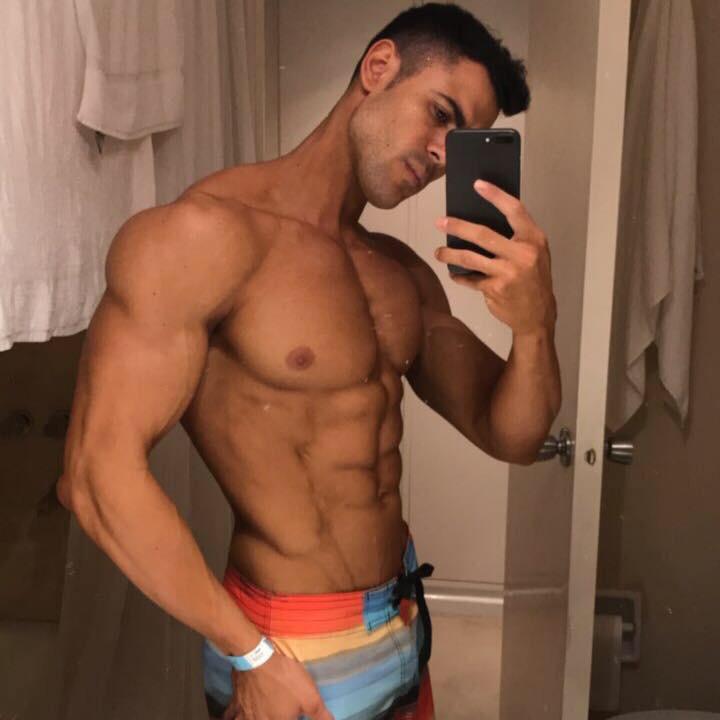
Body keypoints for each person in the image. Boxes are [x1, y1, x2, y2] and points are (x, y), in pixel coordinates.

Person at [57, 3, 561, 719]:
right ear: (379, 67)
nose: (443, 154)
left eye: (465, 141)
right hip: (289, 652)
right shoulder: (204, 236)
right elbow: (94, 473)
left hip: (404, 623)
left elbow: (512, 434)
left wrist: (536, 324)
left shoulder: (399, 273)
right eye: (440, 114)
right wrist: (249, 655)